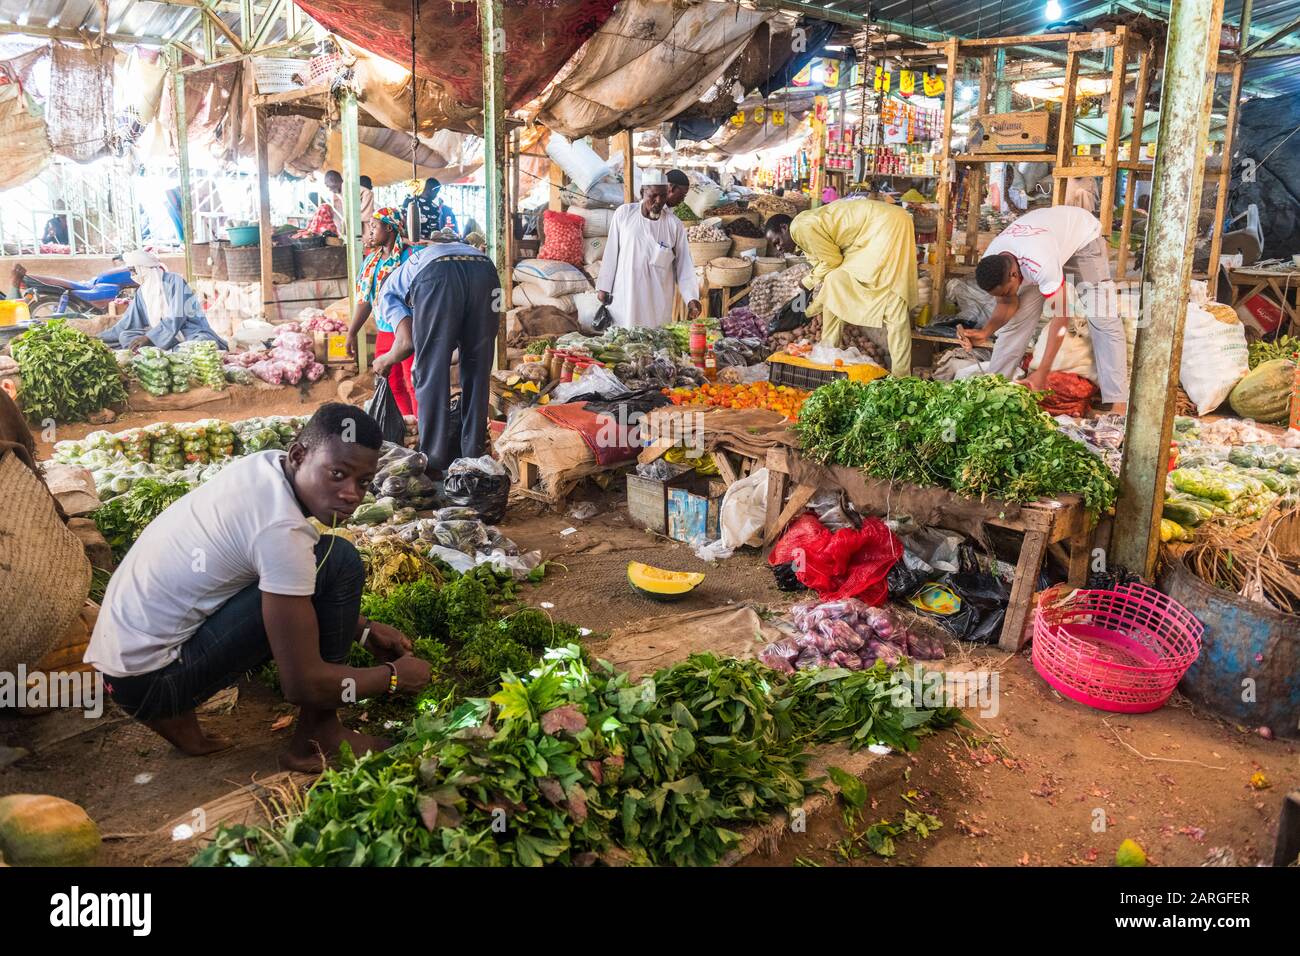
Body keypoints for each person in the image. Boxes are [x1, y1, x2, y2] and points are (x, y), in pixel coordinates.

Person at [84, 404, 432, 768]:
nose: (351, 494)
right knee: (337, 561)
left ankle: (174, 712)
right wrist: (393, 678)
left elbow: (273, 591)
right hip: (152, 682)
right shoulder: (282, 533)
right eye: (337, 474)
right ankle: (319, 737)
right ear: (299, 455)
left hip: (123, 670)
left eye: (362, 482)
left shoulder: (265, 466)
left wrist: (364, 631)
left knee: (310, 568)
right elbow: (301, 684)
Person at [956, 205, 1127, 414]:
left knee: (1102, 317)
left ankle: (1118, 404)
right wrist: (985, 332)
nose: (1006, 295)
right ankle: (994, 392)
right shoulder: (993, 262)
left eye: (1007, 290)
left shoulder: (1039, 263)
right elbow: (1006, 303)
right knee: (1016, 322)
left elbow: (1062, 315)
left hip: (1081, 240)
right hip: (1043, 245)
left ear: (1013, 275)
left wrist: (1043, 371)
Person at [375, 233, 499, 476]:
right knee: (478, 369)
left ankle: (434, 460)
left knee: (430, 372)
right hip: (487, 272)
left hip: (439, 276)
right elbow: (461, 346)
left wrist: (384, 360)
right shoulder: (418, 262)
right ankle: (473, 459)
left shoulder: (386, 293)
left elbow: (407, 344)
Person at [765, 200, 918, 377]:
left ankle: (901, 377)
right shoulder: (803, 231)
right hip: (881, 228)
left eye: (777, 241)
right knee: (837, 282)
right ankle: (828, 350)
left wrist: (806, 286)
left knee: (892, 300)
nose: (779, 248)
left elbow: (833, 261)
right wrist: (809, 304)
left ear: (784, 228)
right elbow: (826, 265)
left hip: (884, 226)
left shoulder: (800, 228)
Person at [596, 169, 701, 330]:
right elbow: (611, 254)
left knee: (653, 342)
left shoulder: (674, 225)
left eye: (663, 195)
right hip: (626, 294)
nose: (658, 201)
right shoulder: (624, 214)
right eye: (653, 195)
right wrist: (604, 287)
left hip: (657, 300)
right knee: (624, 339)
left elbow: (684, 265)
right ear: (642, 192)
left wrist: (691, 298)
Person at [346, 208, 417, 415]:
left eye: (374, 227)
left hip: (410, 330)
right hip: (385, 331)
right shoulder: (371, 262)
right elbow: (364, 302)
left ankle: (424, 431)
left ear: (389, 227)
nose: (370, 232)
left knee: (414, 382)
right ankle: (407, 424)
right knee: (391, 382)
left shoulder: (410, 256)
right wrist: (351, 333)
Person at [98, 251, 227, 351]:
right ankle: (168, 350)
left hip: (188, 331)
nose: (132, 276)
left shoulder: (174, 281)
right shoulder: (142, 292)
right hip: (159, 335)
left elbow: (177, 316)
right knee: (126, 336)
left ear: (143, 268)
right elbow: (127, 322)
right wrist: (99, 339)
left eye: (133, 270)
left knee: (202, 342)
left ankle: (167, 351)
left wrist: (149, 337)